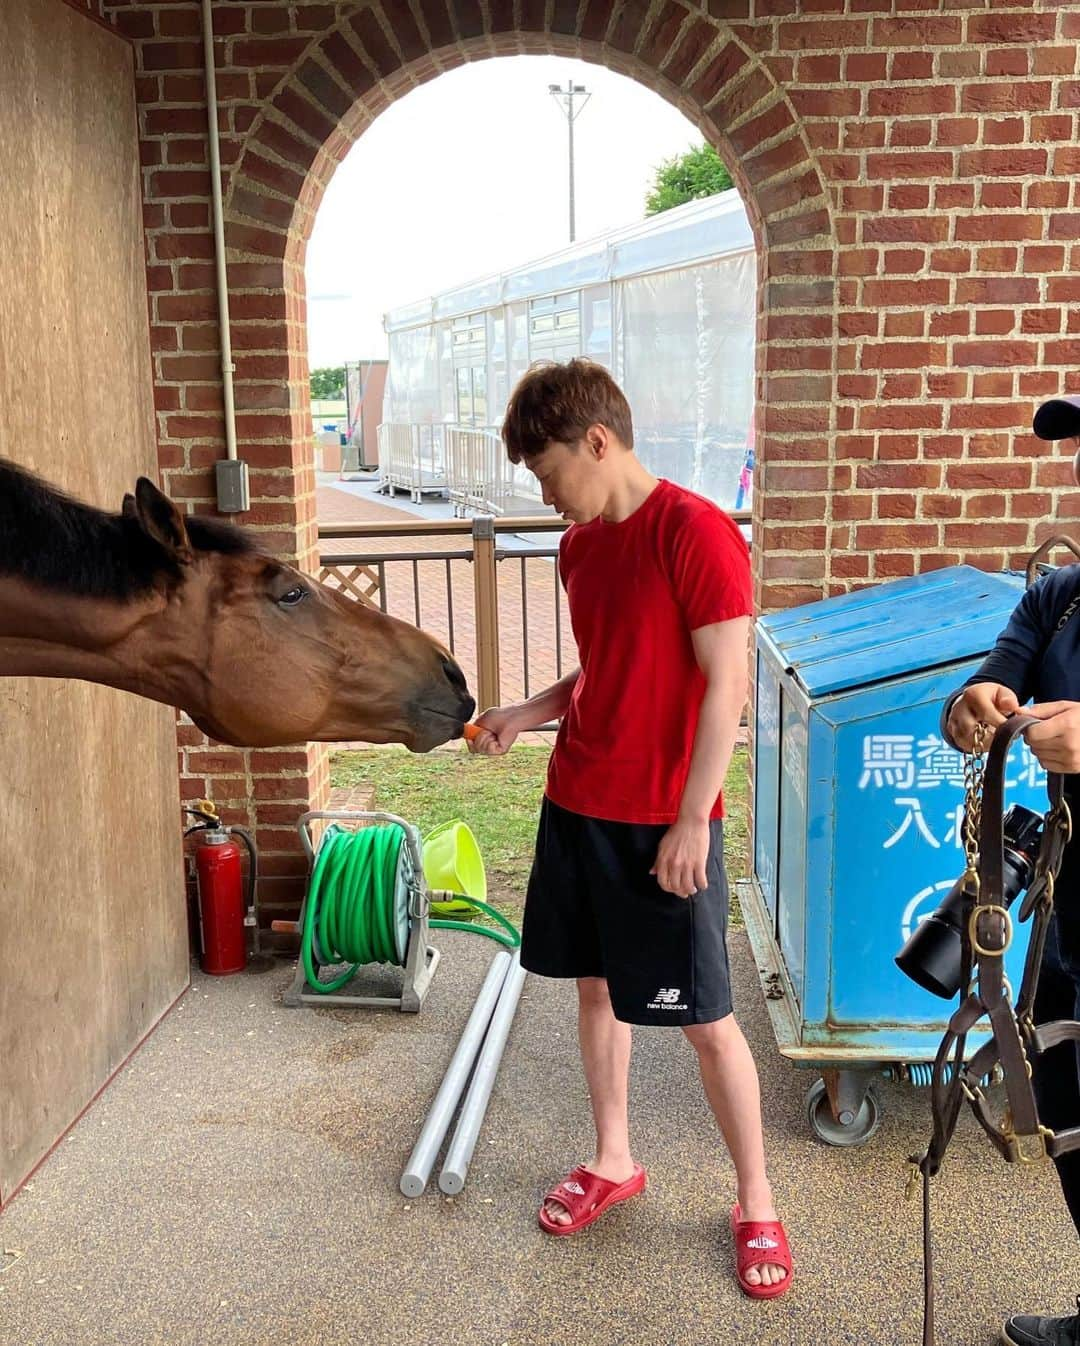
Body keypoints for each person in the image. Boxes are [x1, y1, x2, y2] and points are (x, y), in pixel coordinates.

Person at [467, 358, 791, 1296]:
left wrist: (694, 820)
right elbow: (602, 673)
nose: (545, 489)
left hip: (664, 822)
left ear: (598, 442)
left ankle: (757, 1201)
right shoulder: (580, 549)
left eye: (548, 469)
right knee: (596, 991)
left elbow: (723, 685)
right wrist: (527, 713)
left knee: (707, 1021)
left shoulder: (695, 533)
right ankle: (613, 1158)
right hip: (579, 805)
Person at [944, 395, 1080, 1346]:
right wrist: (975, 706)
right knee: (1071, 1117)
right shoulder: (1058, 596)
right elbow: (985, 685)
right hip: (1066, 917)